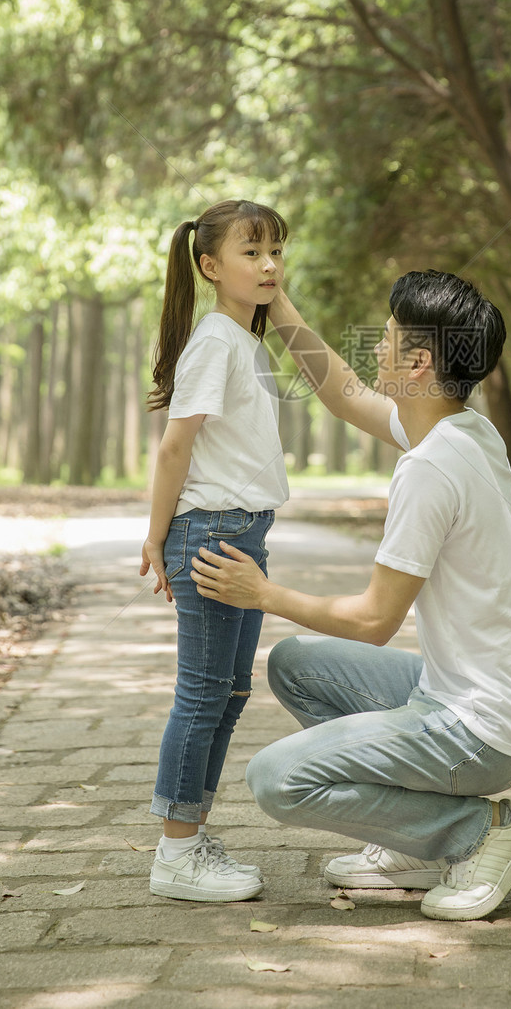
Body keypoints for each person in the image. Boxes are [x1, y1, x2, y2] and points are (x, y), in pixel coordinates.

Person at [191, 270, 511, 921]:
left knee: (275, 780)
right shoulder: (466, 431)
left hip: (480, 732)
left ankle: (479, 832)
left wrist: (261, 592)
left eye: (385, 337)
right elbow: (346, 395)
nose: (374, 348)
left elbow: (376, 619)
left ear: (417, 363)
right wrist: (279, 306)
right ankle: (410, 845)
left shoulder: (433, 467)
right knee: (297, 665)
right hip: (472, 696)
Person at [139, 198, 289, 903]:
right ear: (209, 265)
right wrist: (158, 534)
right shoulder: (214, 342)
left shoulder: (242, 338)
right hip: (213, 533)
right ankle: (176, 853)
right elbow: (177, 445)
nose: (268, 266)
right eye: (251, 252)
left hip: (244, 533)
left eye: (276, 253)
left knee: (229, 694)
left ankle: (191, 836)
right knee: (202, 696)